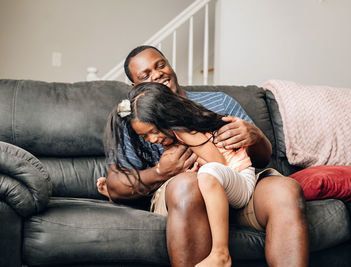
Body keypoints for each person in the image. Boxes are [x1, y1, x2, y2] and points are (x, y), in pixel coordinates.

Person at [100, 45, 309, 267]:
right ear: (136, 87)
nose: (158, 74)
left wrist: (255, 136)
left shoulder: (220, 102)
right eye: (146, 75)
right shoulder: (136, 122)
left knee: (285, 189)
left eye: (160, 65)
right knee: (189, 184)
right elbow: (116, 185)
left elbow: (262, 158)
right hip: (186, 194)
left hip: (234, 182)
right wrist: (161, 172)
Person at [99, 82, 258, 267]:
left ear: (167, 118)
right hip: (228, 182)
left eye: (154, 131)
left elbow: (218, 163)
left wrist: (192, 168)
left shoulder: (184, 132)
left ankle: (221, 253)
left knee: (206, 174)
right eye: (145, 137)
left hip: (240, 179)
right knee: (199, 177)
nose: (153, 140)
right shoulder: (176, 136)